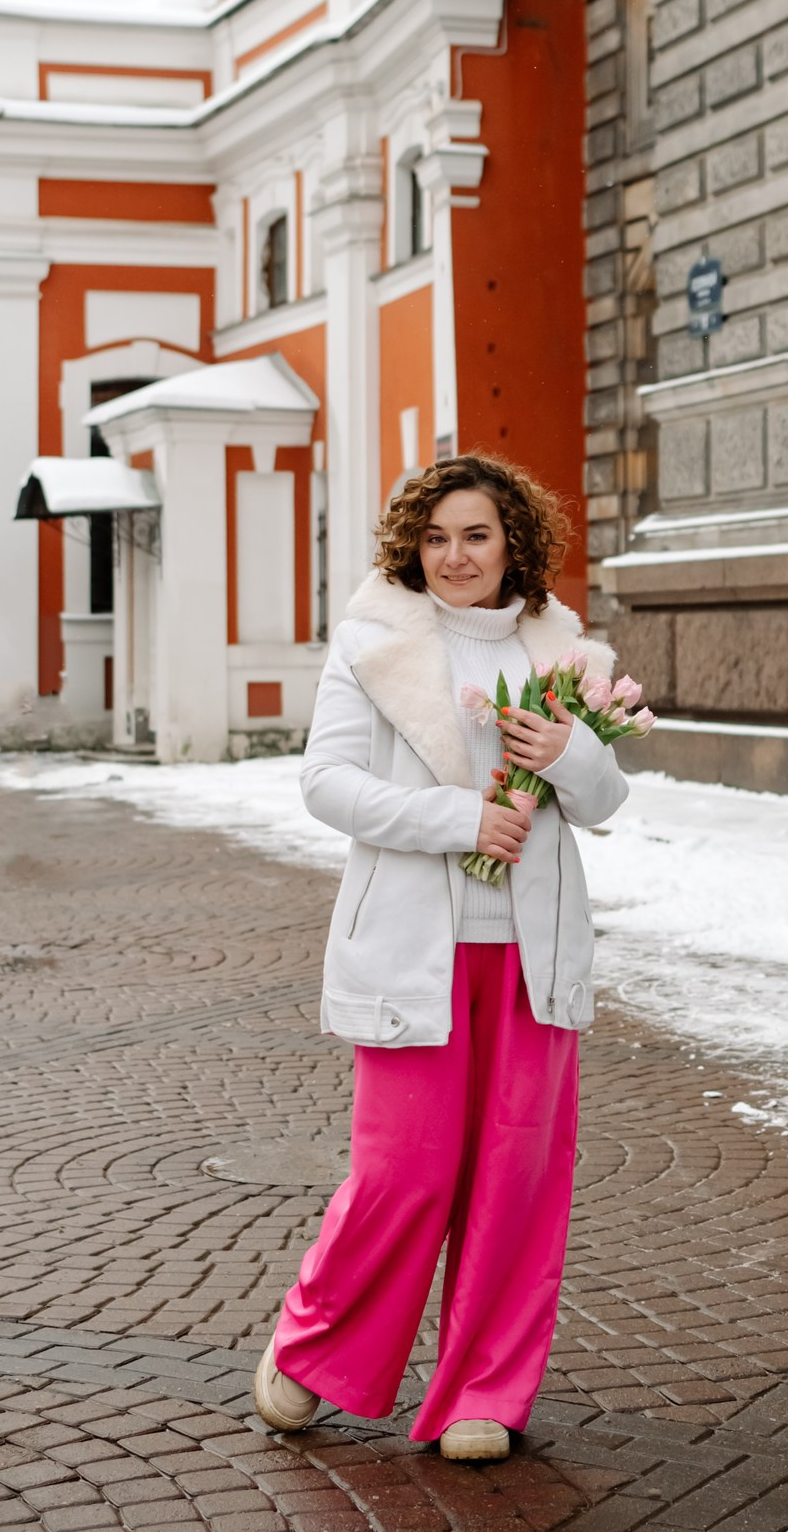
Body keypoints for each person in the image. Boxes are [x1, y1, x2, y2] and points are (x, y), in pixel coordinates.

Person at [252, 453, 630, 1460]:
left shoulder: (565, 653)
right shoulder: (374, 645)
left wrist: (571, 756)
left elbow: (603, 802)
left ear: (513, 542)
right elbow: (326, 785)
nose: (454, 555)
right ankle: (311, 1349)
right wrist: (461, 817)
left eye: (475, 534)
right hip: (414, 949)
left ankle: (482, 1394)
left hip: (527, 954)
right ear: (411, 547)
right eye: (435, 537)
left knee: (518, 1174)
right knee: (400, 1174)